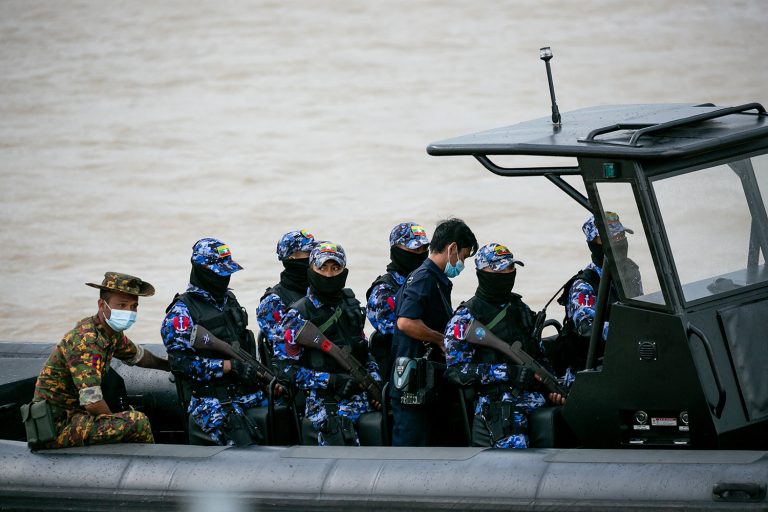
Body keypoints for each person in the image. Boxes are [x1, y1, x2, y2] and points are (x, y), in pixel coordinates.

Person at [32, 272, 169, 448]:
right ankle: (148, 468)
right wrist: (118, 423)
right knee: (137, 422)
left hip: (77, 415)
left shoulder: (108, 332)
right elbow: (92, 402)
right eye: (121, 305)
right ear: (102, 305)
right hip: (57, 426)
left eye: (133, 306)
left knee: (127, 416)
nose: (129, 312)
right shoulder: (86, 340)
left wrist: (169, 365)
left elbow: (138, 356)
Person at [162, 238, 270, 446]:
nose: (224, 278)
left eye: (227, 272)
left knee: (288, 410)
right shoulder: (182, 312)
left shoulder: (229, 301)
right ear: (200, 270)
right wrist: (228, 367)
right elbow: (181, 365)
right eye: (218, 273)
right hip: (211, 400)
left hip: (246, 392)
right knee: (242, 445)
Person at [443, 243, 549, 448]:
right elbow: (455, 372)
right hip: (496, 403)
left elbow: (539, 354)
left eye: (510, 268)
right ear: (482, 273)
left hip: (533, 396)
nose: (507, 273)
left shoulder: (520, 309)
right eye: (500, 269)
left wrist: (550, 386)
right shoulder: (466, 318)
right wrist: (508, 372)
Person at [276, 242, 381, 446]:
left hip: (361, 397)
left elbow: (365, 353)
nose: (329, 274)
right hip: (326, 404)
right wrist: (332, 380)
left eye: (335, 268)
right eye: (322, 268)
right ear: (311, 270)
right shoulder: (297, 315)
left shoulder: (350, 305)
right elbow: (286, 371)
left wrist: (374, 386)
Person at [389, 217, 478, 447]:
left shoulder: (435, 279)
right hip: (411, 380)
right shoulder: (425, 278)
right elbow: (406, 322)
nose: (462, 264)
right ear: (452, 248)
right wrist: (441, 340)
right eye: (464, 257)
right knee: (412, 450)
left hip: (425, 380)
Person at [555, 212, 640, 384]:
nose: (619, 241)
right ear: (593, 244)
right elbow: (588, 330)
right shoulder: (584, 285)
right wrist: (632, 331)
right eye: (611, 237)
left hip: (626, 358)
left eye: (621, 235)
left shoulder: (630, 272)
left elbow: (641, 310)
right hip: (590, 372)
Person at [365, 222, 430, 385]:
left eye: (423, 249)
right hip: (400, 376)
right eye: (414, 249)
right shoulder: (383, 290)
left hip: (429, 370)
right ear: (397, 250)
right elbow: (399, 329)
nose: (420, 254)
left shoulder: (428, 283)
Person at [256, 229, 315, 361]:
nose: (315, 256)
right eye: (308, 252)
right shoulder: (273, 302)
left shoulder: (319, 291)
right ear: (291, 258)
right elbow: (284, 352)